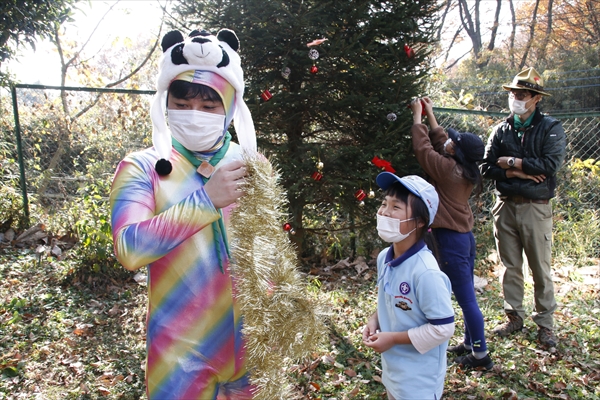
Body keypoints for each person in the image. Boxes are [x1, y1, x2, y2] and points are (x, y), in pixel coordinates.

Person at [110, 29, 258, 399]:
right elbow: (129, 248)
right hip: (179, 356)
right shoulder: (142, 167)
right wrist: (206, 201)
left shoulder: (248, 163)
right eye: (183, 104)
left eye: (209, 107)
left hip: (250, 348)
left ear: (230, 108)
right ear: (166, 104)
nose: (195, 115)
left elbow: (265, 245)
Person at [480, 67, 567, 347]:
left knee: (540, 268)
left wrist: (511, 161)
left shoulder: (550, 128)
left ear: (536, 98)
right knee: (510, 266)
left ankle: (545, 324)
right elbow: (485, 166)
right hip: (504, 205)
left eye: (524, 94)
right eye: (514, 93)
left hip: (536, 206)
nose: (517, 98)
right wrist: (516, 171)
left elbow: (550, 165)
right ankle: (513, 317)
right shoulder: (501, 129)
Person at [409, 97, 493, 370]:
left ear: (455, 152)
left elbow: (424, 150)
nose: (449, 141)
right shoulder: (465, 169)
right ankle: (470, 343)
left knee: (466, 298)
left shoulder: (447, 169)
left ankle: (481, 356)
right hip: (465, 238)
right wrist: (431, 114)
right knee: (467, 293)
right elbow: (441, 143)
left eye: (453, 143)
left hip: (450, 241)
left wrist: (417, 117)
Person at [363, 173, 455, 400]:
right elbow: (388, 299)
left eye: (396, 207)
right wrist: (374, 319)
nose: (384, 212)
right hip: (394, 372)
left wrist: (392, 338)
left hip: (419, 382)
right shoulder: (385, 257)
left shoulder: (426, 273)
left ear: (421, 220)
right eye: (384, 204)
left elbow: (443, 328)